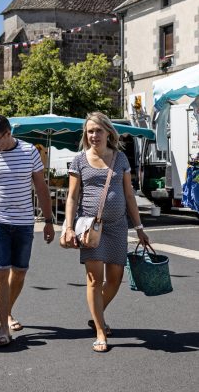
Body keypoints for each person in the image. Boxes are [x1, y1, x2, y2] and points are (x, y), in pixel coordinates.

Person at [64, 111, 149, 353]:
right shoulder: (79, 160)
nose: (93, 135)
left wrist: (139, 227)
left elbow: (129, 195)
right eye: (89, 131)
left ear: (108, 132)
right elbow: (71, 197)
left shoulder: (120, 158)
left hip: (118, 227)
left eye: (98, 131)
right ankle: (101, 331)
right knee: (94, 280)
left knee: (115, 279)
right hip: (91, 228)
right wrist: (69, 227)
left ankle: (96, 314)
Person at [0, 113, 55, 347]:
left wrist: (48, 220)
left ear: (9, 133)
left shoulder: (29, 152)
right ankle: (3, 327)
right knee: (0, 273)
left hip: (24, 222)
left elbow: (41, 188)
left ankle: (7, 311)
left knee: (19, 272)